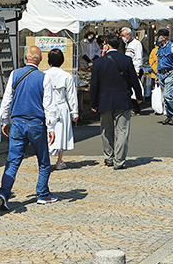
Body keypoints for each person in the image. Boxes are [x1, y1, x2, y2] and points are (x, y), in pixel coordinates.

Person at [0, 46, 58, 211]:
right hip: (36, 124)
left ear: (25, 57)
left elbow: (7, 99)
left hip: (17, 123)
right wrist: (51, 127)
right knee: (44, 161)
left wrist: (4, 120)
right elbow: (49, 105)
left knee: (13, 161)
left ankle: (4, 193)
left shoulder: (14, 74)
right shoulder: (44, 78)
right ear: (40, 60)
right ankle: (42, 193)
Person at [90, 34, 143, 169]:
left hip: (104, 100)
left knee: (106, 130)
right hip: (122, 99)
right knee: (122, 131)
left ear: (106, 44)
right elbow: (134, 80)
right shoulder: (125, 60)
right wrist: (139, 96)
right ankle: (119, 160)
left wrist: (93, 103)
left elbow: (94, 85)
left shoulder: (98, 63)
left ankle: (109, 157)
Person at [44, 49, 78, 169]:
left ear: (48, 61)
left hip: (48, 107)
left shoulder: (44, 74)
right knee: (61, 133)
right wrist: (75, 112)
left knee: (48, 132)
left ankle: (46, 160)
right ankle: (59, 160)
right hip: (62, 106)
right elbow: (72, 96)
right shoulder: (67, 76)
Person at [153, 28, 173, 125]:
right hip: (161, 74)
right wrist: (157, 76)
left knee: (168, 95)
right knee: (164, 97)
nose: (158, 38)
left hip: (170, 73)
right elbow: (159, 63)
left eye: (159, 36)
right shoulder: (160, 48)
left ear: (164, 37)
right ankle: (169, 116)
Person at [121, 27, 144, 114]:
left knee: (135, 88)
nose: (123, 38)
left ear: (129, 35)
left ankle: (136, 108)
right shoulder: (127, 44)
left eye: (123, 35)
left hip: (135, 69)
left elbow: (138, 57)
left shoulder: (136, 44)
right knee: (130, 89)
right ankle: (132, 107)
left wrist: (137, 70)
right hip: (128, 69)